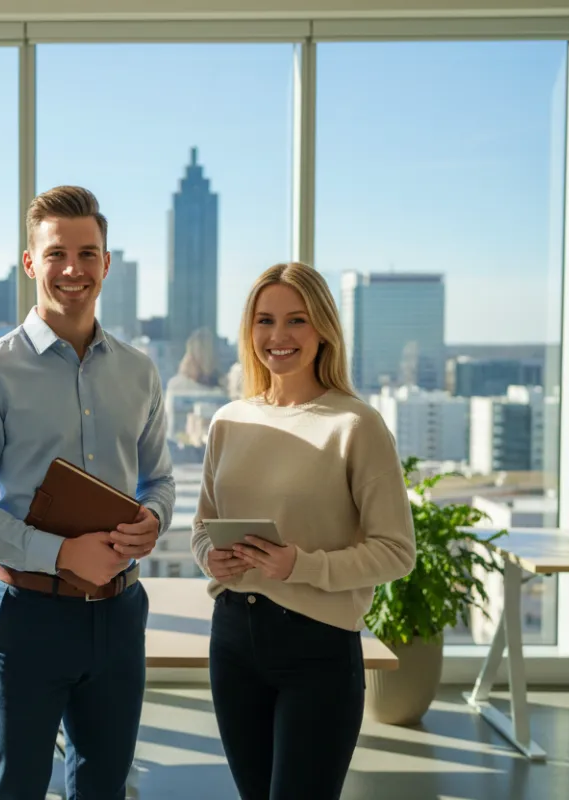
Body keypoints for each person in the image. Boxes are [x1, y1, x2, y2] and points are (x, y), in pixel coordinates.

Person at [0, 185, 175, 799]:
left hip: (120, 615)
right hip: (28, 619)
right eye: (56, 254)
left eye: (88, 253)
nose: (73, 269)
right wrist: (60, 554)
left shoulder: (139, 370)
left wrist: (154, 517)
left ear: (107, 262)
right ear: (29, 263)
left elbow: (161, 480)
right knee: (15, 789)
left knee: (105, 789)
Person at [191, 262, 416, 800]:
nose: (279, 336)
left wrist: (302, 565)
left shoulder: (355, 425)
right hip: (232, 642)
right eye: (265, 321)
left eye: (297, 320)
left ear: (324, 330)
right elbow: (202, 526)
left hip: (317, 650)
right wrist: (209, 557)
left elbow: (397, 551)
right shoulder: (229, 420)